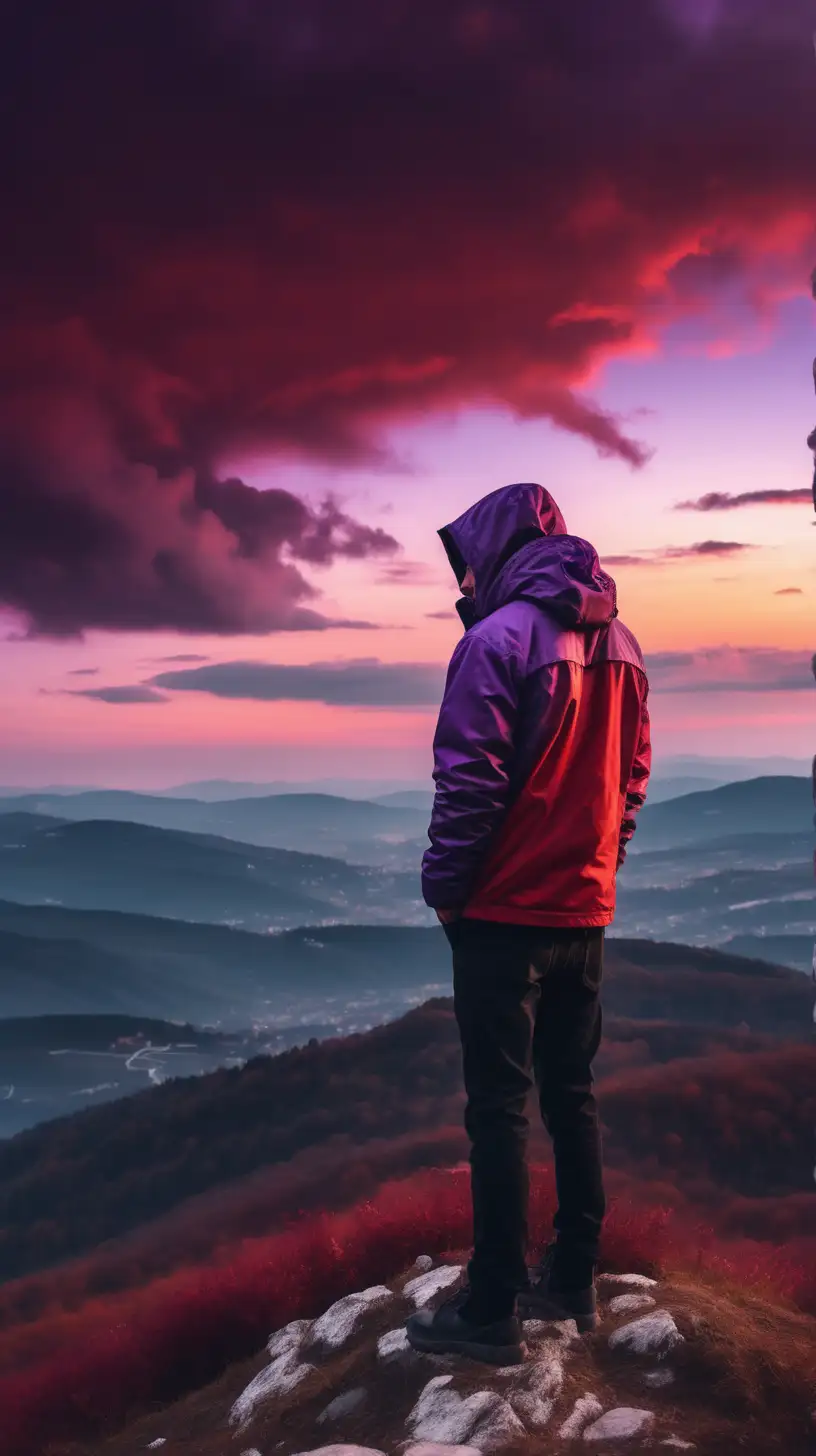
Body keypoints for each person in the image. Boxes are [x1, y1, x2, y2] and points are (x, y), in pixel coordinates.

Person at [405, 481, 651, 1366]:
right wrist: (603, 868)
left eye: (467, 561)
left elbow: (467, 782)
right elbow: (632, 778)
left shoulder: (493, 642)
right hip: (583, 910)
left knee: (498, 1110)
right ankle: (573, 1275)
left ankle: (490, 1308)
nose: (462, 578)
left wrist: (444, 888)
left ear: (496, 548)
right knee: (571, 1091)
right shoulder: (622, 643)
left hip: (503, 913)